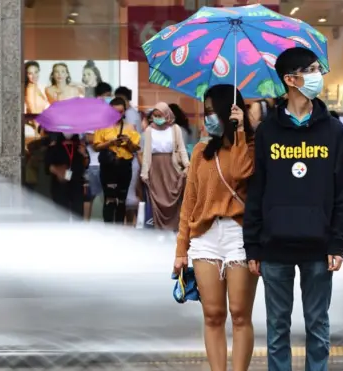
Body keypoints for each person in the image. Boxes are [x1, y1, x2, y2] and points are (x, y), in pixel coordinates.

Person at [243, 47, 343, 371]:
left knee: (318, 328)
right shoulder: (268, 132)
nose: (319, 76)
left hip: (319, 247)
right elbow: (256, 190)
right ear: (291, 79)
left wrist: (338, 242)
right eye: (312, 69)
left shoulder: (333, 131)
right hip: (274, 247)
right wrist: (253, 244)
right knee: (277, 330)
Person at [175, 84, 256, 371]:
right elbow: (189, 203)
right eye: (205, 111)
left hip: (239, 235)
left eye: (211, 112)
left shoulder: (249, 147)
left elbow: (240, 172)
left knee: (239, 314)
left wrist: (240, 131)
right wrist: (180, 251)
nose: (206, 117)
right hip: (205, 237)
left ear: (227, 111)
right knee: (212, 314)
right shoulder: (200, 151)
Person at [139, 102, 189, 230]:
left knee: (173, 199)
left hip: (172, 168)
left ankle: (174, 229)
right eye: (155, 115)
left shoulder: (175, 129)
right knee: (157, 200)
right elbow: (146, 154)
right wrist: (144, 172)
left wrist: (187, 165)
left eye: (160, 115)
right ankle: (158, 229)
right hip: (155, 170)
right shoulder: (149, 130)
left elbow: (181, 149)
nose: (157, 118)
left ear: (167, 115)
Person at [93, 97, 141, 224]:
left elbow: (135, 148)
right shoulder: (102, 126)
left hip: (124, 166)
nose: (117, 115)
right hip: (109, 166)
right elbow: (96, 147)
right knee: (109, 199)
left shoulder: (130, 127)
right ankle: (108, 228)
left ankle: (119, 228)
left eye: (120, 112)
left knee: (122, 200)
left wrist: (128, 141)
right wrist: (111, 142)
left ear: (124, 112)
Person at [82, 82, 113, 221]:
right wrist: (106, 140)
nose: (108, 99)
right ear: (99, 97)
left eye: (110, 96)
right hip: (94, 163)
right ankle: (85, 224)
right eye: (107, 96)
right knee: (89, 195)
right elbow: (89, 138)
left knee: (109, 196)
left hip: (108, 162)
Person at [45, 132, 89, 218]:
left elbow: (86, 165)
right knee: (61, 215)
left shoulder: (80, 146)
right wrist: (57, 171)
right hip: (60, 185)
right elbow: (47, 167)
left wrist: (84, 154)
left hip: (76, 183)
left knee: (78, 214)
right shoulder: (54, 146)